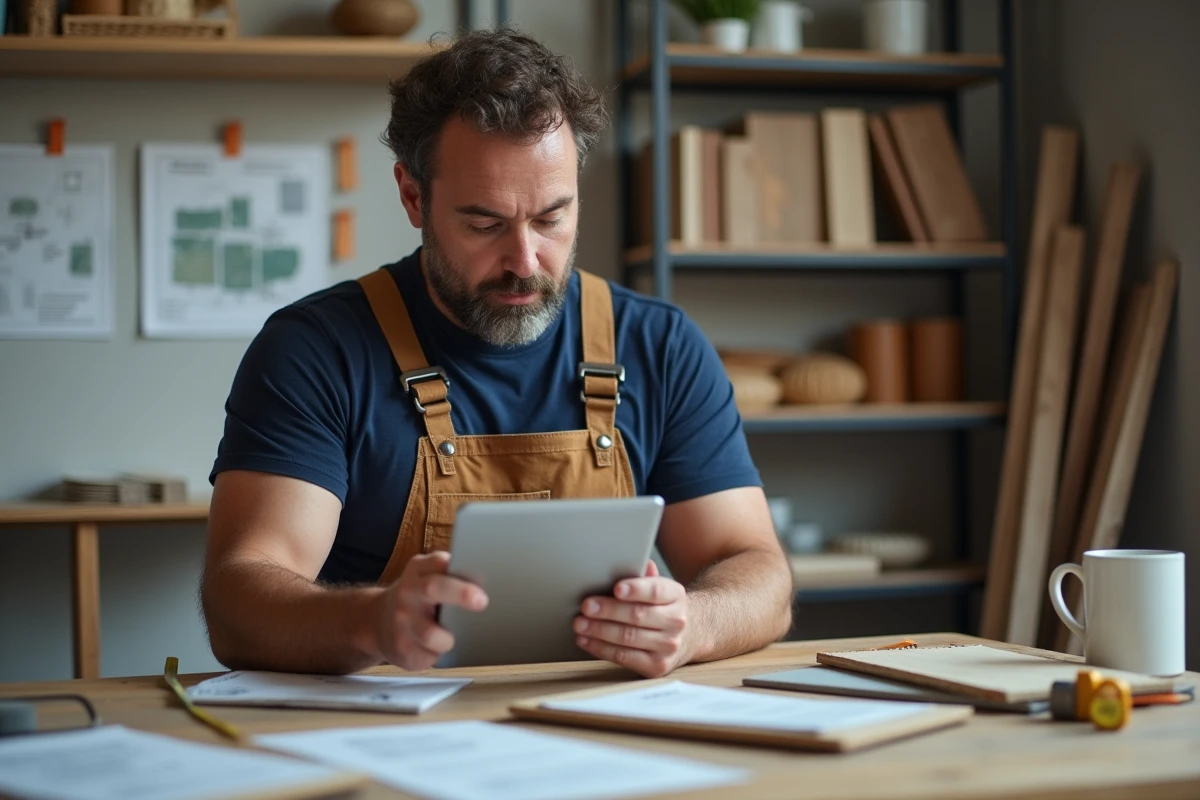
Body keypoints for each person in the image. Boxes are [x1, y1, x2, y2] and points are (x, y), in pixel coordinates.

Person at [200, 28, 793, 679]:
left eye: (551, 217)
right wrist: (371, 621)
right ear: (413, 196)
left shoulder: (659, 345)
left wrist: (693, 624)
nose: (524, 261)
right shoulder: (315, 351)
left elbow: (759, 572)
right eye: (485, 224)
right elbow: (238, 601)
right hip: (386, 737)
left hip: (603, 731)